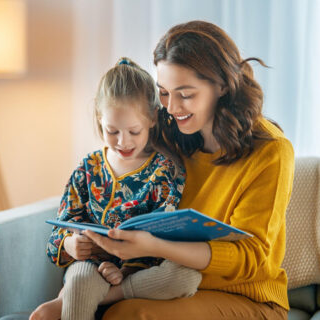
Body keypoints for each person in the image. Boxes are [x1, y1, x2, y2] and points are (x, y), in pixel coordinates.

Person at [83, 20, 294, 319]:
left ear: (222, 85)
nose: (171, 108)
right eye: (164, 93)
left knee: (130, 314)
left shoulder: (270, 150)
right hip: (170, 284)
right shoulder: (170, 134)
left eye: (185, 94)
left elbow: (252, 258)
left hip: (247, 297)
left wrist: (156, 246)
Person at [29, 57, 202, 320]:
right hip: (90, 266)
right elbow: (59, 229)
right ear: (100, 120)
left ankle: (89, 298)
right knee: (80, 279)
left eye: (134, 131)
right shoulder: (89, 168)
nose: (123, 142)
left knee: (186, 277)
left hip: (139, 273)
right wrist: (70, 245)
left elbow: (164, 238)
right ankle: (79, 294)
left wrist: (124, 273)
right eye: (112, 131)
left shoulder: (165, 171)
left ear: (153, 119)